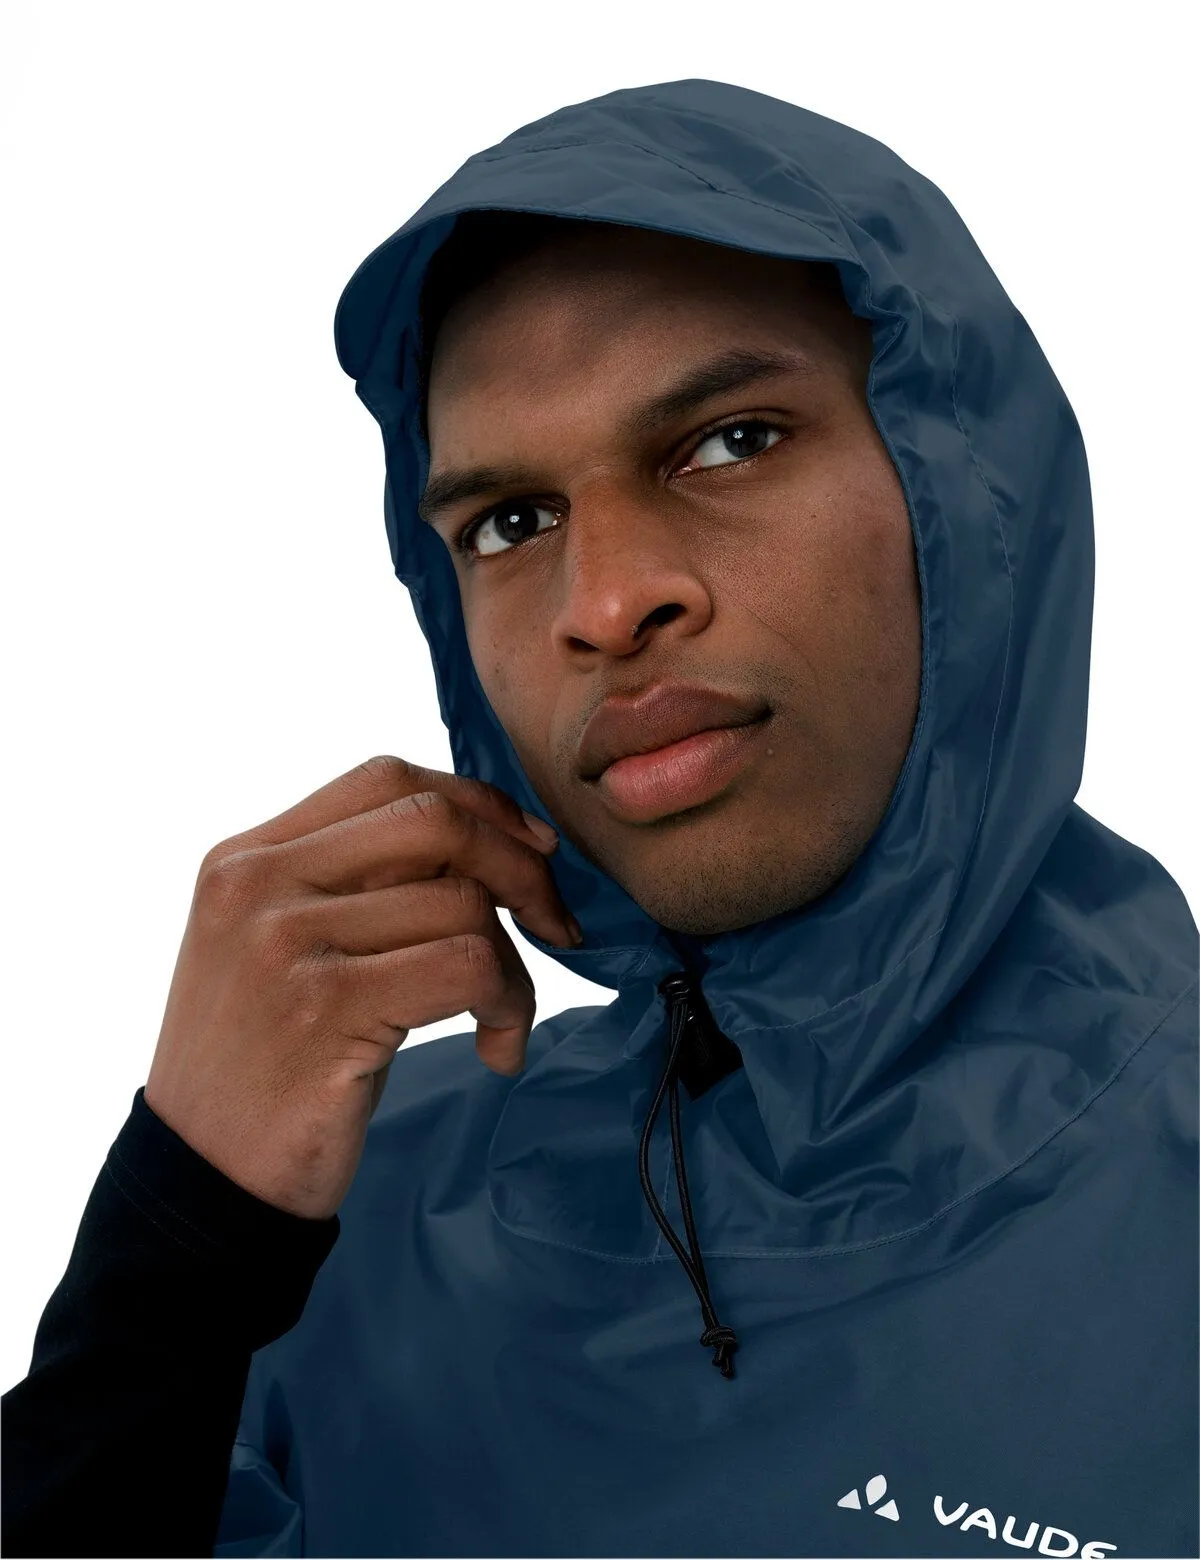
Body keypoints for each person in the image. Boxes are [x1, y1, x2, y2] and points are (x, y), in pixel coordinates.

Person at [2, 75, 1196, 1560]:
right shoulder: (329, 1215)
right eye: (511, 523)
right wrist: (169, 1257)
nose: (608, 602)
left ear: (964, 490)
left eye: (731, 441)